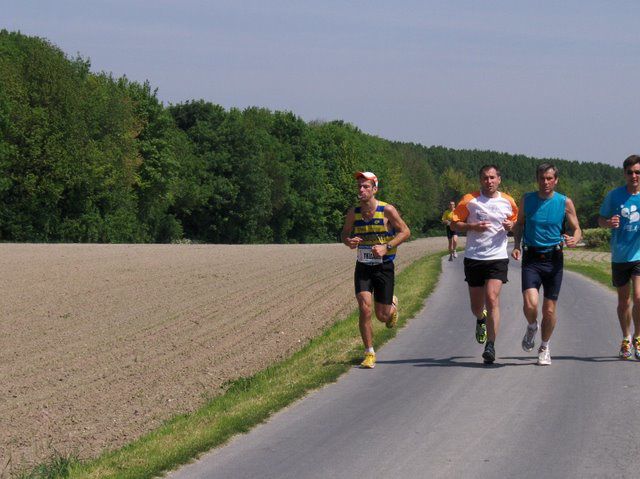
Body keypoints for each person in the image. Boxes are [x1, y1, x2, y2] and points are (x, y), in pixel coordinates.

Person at [511, 163, 582, 366]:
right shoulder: (528, 199)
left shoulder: (564, 202)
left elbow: (577, 228)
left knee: (549, 310)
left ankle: (544, 346)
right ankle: (532, 326)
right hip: (531, 258)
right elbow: (520, 224)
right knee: (530, 303)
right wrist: (516, 244)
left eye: (549, 178)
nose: (545, 182)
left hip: (554, 259)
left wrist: (574, 239)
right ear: (537, 179)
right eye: (542, 178)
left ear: (556, 180)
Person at [341, 171, 411, 369]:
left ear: (374, 189)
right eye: (359, 187)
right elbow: (344, 233)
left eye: (366, 187)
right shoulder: (353, 212)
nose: (361, 190)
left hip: (384, 266)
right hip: (363, 266)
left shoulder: (387, 210)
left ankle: (392, 307)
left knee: (382, 315)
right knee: (364, 307)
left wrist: (386, 247)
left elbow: (405, 231)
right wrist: (349, 241)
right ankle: (369, 352)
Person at [451, 165, 518, 364]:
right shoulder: (469, 200)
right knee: (476, 306)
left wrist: (512, 225)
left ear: (499, 179)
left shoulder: (508, 201)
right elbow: (454, 224)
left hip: (497, 257)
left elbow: (517, 221)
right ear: (480, 180)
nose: (488, 181)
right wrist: (472, 226)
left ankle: (491, 345)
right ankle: (481, 319)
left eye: (492, 178)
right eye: (484, 178)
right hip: (474, 257)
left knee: (492, 298)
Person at [598, 154, 640, 360]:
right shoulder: (614, 196)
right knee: (624, 302)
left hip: (639, 255)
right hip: (620, 256)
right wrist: (609, 223)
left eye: (638, 172)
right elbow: (600, 219)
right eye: (630, 172)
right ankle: (626, 337)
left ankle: (639, 338)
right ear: (624, 174)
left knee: (639, 297)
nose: (634, 176)